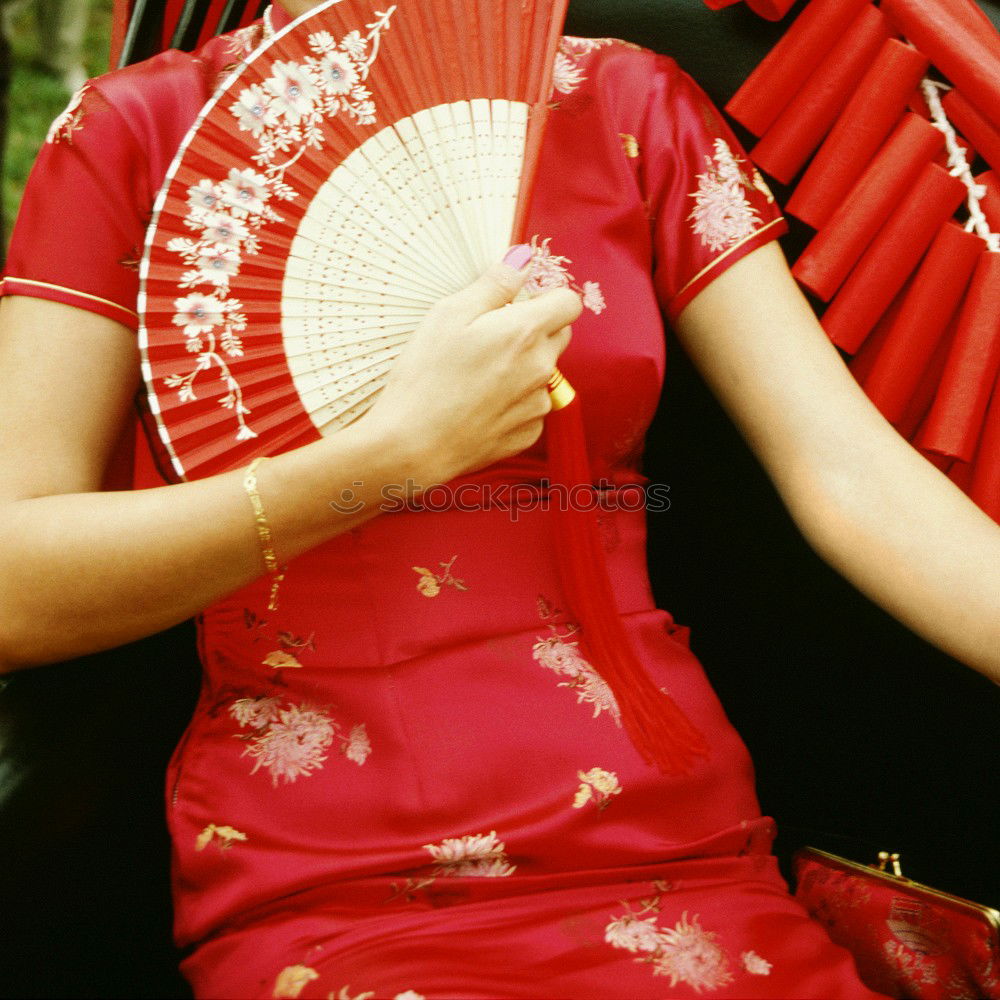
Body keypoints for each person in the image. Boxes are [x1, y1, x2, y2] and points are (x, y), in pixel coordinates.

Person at [1, 2, 998, 997]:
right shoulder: (134, 133)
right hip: (340, 872)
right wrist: (394, 455)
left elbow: (848, 472)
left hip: (669, 841)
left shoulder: (626, 100)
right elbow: (15, 582)